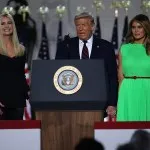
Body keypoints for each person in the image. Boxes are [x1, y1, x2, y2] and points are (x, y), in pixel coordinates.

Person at [55, 12, 118, 120]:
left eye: (84, 25)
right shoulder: (65, 46)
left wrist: (112, 103)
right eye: (78, 25)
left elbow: (112, 76)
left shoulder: (105, 47)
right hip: (71, 102)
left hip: (98, 101)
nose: (80, 28)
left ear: (92, 26)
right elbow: (58, 74)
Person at [117, 14, 150, 121]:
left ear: (146, 28)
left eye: (139, 27)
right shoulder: (124, 48)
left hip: (147, 90)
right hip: (127, 91)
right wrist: (119, 98)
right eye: (133, 27)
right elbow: (120, 76)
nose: (136, 30)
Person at [0, 13, 29, 120]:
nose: (6, 26)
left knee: (16, 134)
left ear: (13, 26)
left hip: (18, 100)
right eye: (2, 24)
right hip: (1, 100)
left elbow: (21, 74)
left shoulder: (21, 49)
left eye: (9, 23)